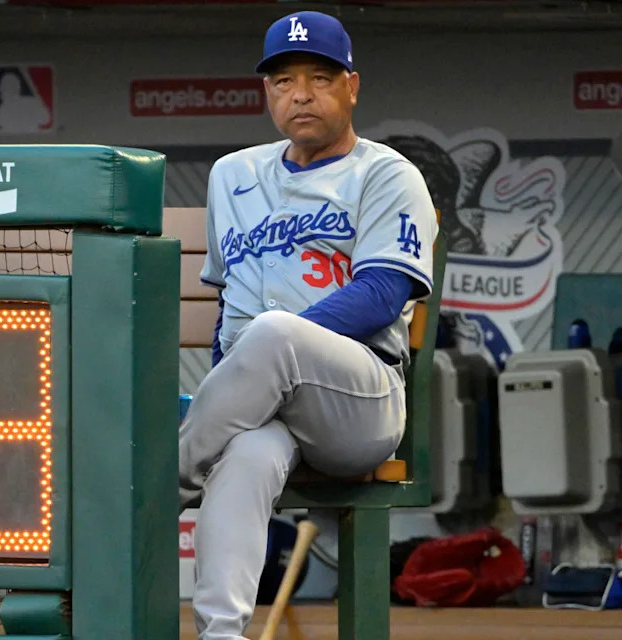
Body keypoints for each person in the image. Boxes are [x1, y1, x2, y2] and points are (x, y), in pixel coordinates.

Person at [178, 11, 438, 640]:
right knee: (245, 452)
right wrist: (241, 383)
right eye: (284, 80)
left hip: (360, 400)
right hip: (263, 401)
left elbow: (380, 295)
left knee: (272, 334)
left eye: (320, 77)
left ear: (352, 85)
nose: (301, 93)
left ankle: (159, 487)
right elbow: (227, 311)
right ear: (267, 92)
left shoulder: (387, 174)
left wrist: (270, 351)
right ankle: (220, 634)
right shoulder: (232, 175)